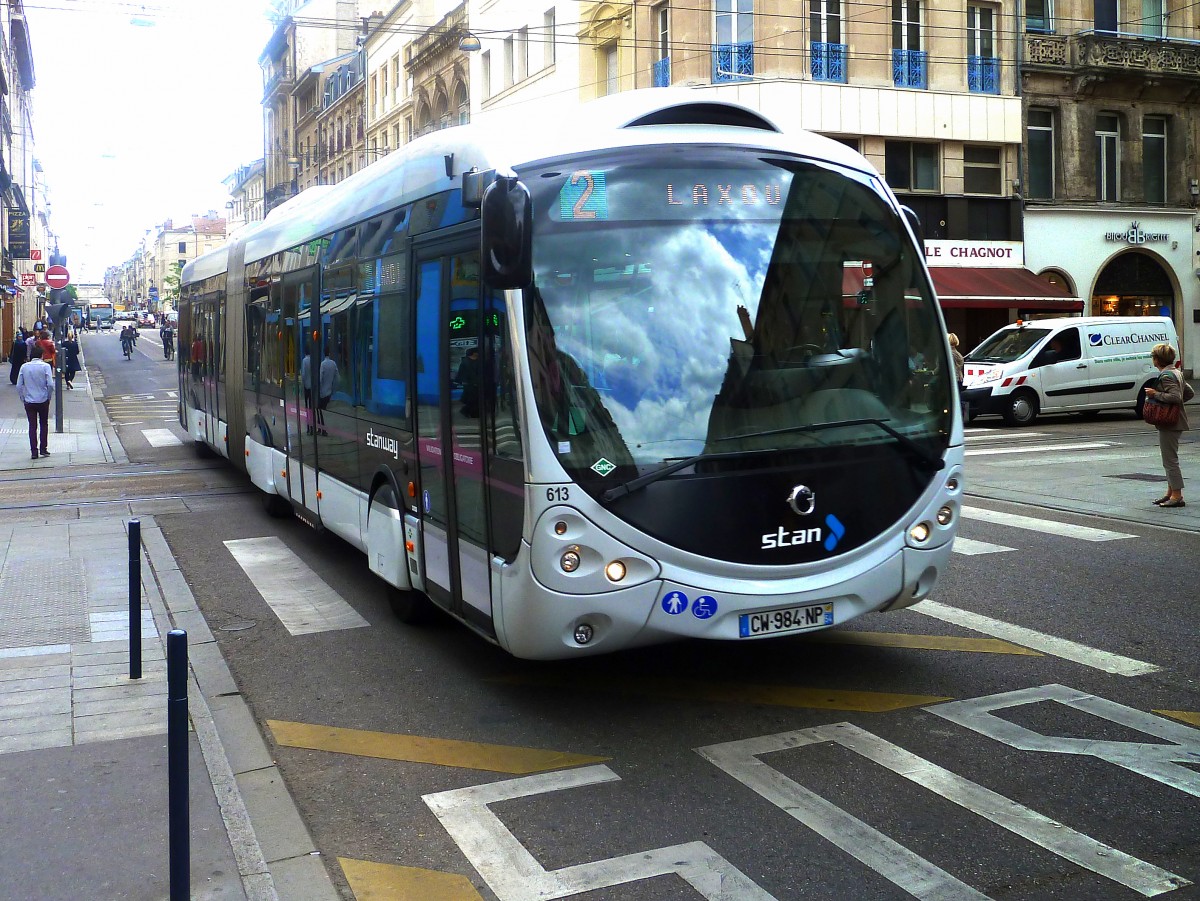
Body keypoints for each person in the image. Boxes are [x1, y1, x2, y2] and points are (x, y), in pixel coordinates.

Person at [1144, 342, 1191, 508]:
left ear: (1157, 360)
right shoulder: (1176, 372)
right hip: (1176, 421)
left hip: (1170, 423)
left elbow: (1176, 397)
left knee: (1170, 460)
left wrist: (1155, 394)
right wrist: (1176, 407)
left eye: (1153, 357)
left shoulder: (1166, 376)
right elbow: (1188, 393)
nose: (1153, 360)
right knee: (1169, 459)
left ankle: (1177, 495)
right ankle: (1170, 493)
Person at [16, 344, 53, 459]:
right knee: (44, 424)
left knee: (32, 426)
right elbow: (50, 384)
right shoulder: (45, 366)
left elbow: (18, 385)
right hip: (42, 399)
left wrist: (23, 398)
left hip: (29, 400)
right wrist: (48, 396)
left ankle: (34, 451)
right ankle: (43, 448)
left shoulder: (24, 367)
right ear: (41, 356)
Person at [455, 346, 481, 418]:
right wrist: (463, 381)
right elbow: (461, 372)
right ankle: (467, 411)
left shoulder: (478, 360)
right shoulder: (465, 362)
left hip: (476, 382)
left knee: (475, 399)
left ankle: (472, 412)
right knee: (472, 399)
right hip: (469, 383)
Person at [317, 347, 338, 435]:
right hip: (329, 391)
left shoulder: (323, 364)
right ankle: (322, 429)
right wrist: (334, 388)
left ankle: (322, 429)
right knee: (324, 410)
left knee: (319, 410)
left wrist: (318, 388)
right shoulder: (333, 364)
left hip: (322, 392)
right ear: (329, 353)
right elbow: (337, 377)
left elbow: (320, 378)